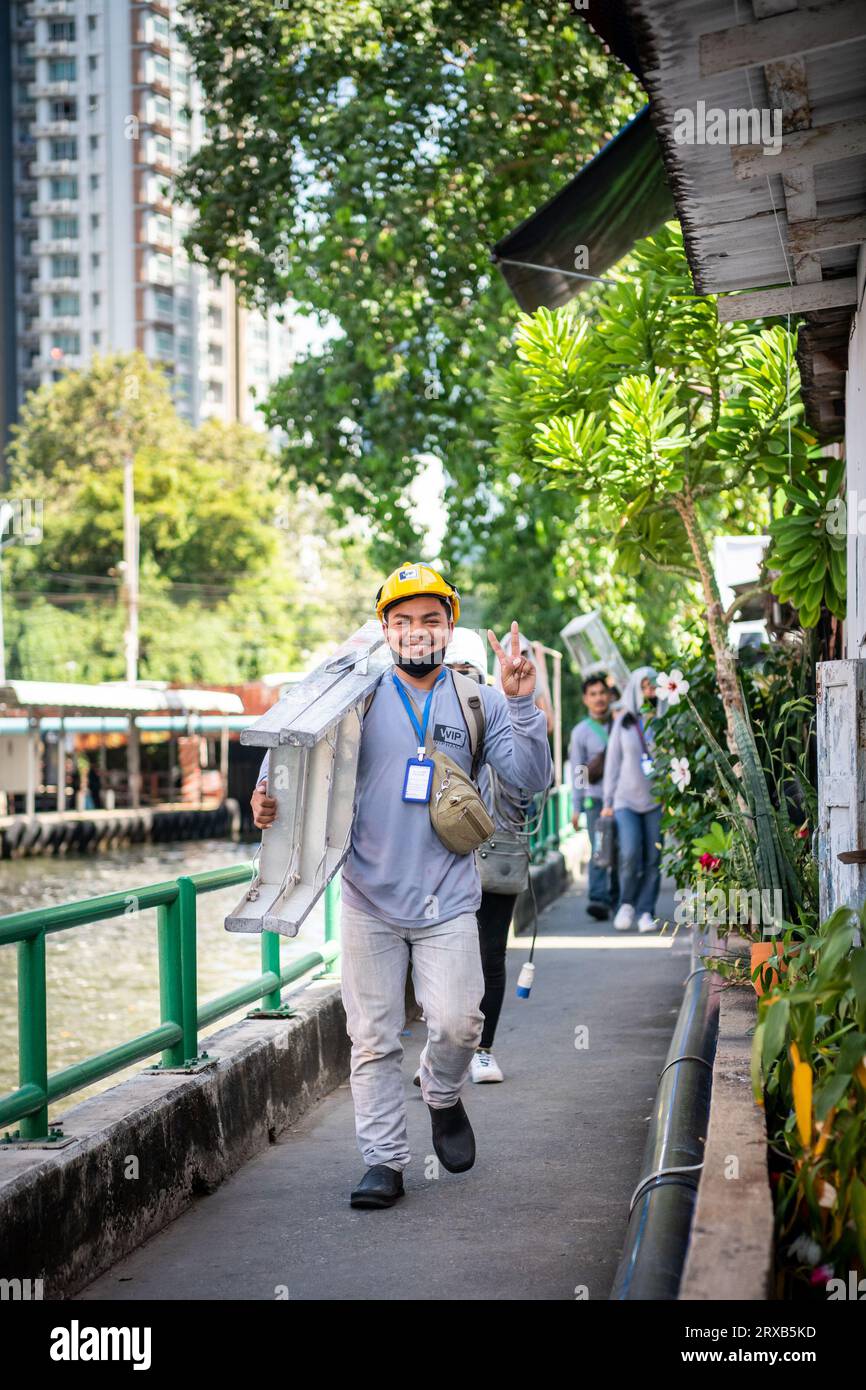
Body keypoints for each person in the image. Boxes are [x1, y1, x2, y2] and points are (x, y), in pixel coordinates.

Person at [250, 565, 553, 1210]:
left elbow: (529, 779)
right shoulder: (351, 694)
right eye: (403, 621)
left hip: (448, 896)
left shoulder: (480, 700)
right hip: (367, 897)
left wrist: (524, 704)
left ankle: (441, 1095)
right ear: (385, 629)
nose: (417, 632)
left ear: (450, 626)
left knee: (458, 1025)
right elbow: (290, 754)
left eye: (431, 620)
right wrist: (265, 798)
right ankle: (383, 1162)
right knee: (374, 1038)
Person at [438, 625, 552, 1085]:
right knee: (440, 957)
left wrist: (521, 704)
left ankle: (482, 1051)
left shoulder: (496, 711)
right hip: (443, 857)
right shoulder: (430, 716)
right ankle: (444, 1055)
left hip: (496, 851)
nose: (460, 681)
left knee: (490, 955)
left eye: (469, 674)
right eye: (453, 673)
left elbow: (534, 771)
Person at [601, 666, 663, 934]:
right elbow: (612, 762)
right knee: (629, 853)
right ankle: (626, 904)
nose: (650, 690)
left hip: (656, 800)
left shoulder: (665, 719)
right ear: (636, 688)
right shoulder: (624, 720)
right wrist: (607, 801)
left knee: (654, 857)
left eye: (653, 686)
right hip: (625, 800)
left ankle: (646, 910)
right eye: (645, 685)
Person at [568, 673, 618, 920]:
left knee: (622, 849)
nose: (599, 699)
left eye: (602, 693)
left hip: (623, 798)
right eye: (593, 694)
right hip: (595, 799)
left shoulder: (621, 723)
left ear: (610, 696)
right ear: (585, 699)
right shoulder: (580, 732)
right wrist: (576, 807)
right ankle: (598, 898)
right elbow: (578, 772)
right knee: (600, 848)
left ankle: (620, 899)